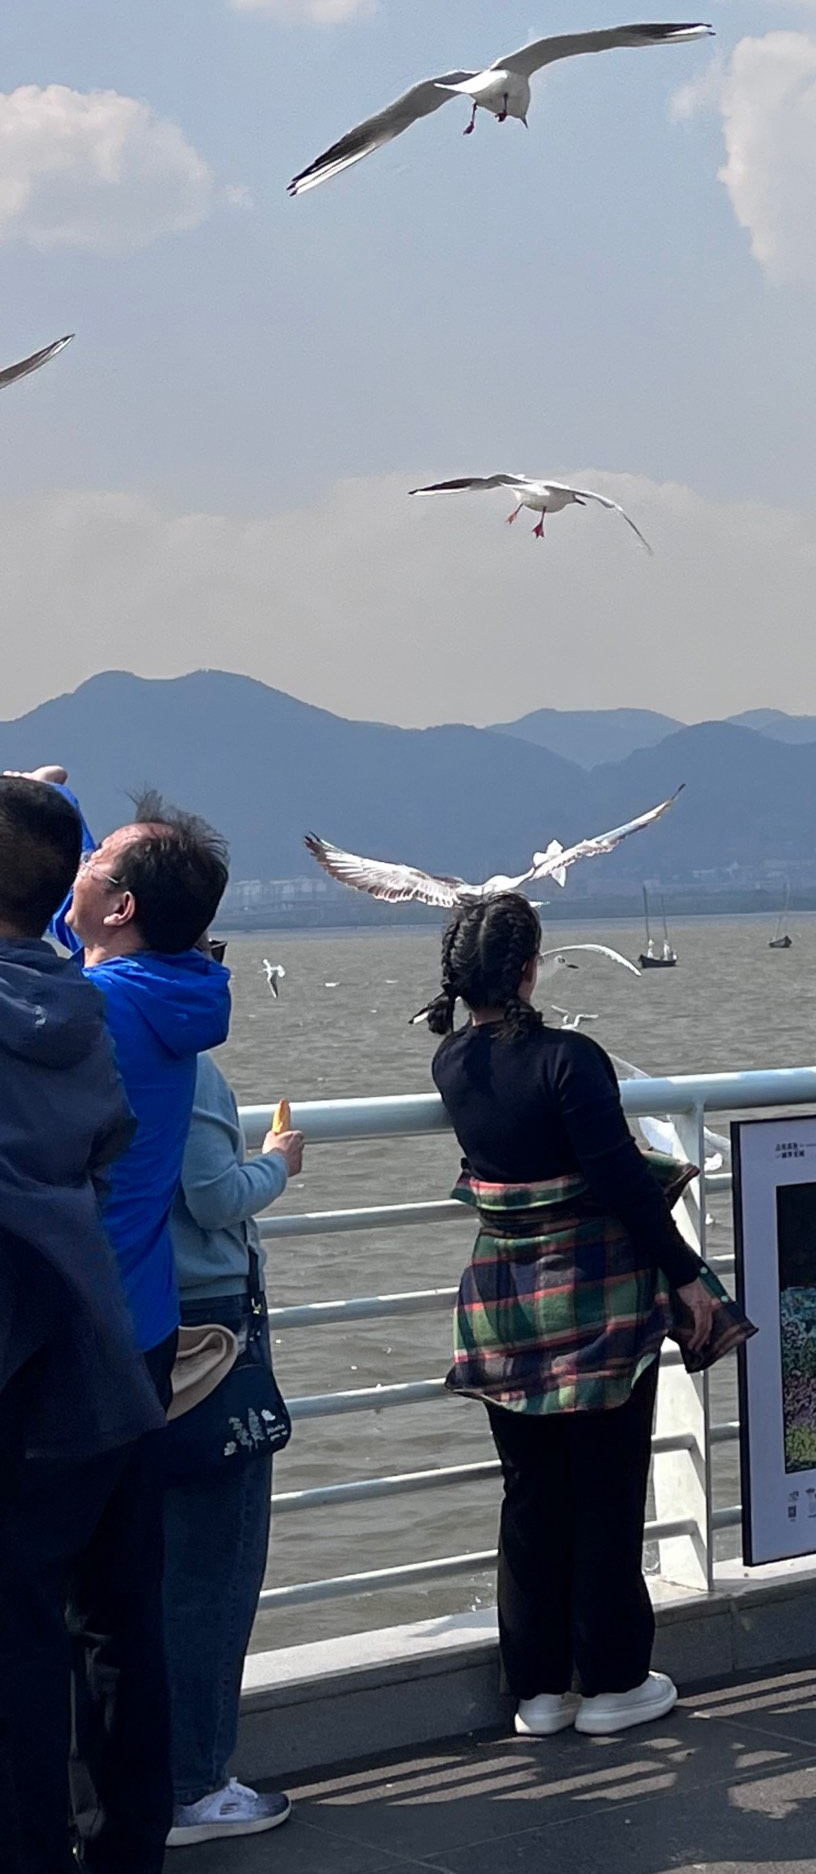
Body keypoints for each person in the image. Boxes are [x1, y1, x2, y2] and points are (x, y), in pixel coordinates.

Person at [429, 891, 719, 1739]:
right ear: (529, 967)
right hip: (594, 1305)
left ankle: (540, 1690)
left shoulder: (451, 1063)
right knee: (604, 1490)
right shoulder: (571, 1059)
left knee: (530, 1496)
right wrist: (689, 1276)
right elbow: (623, 1181)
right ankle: (616, 1680)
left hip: (501, 1306)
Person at [0, 774, 166, 1874]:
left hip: (19, 1375)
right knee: (105, 1623)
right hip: (95, 1358)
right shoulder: (80, 1008)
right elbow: (103, 1148)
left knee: (11, 1654)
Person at [73, 792, 236, 1866]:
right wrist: (63, 813)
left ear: (121, 906)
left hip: (62, 1340)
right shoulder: (166, 990)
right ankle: (131, 1836)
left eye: (97, 862)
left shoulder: (89, 1007)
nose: (76, 867)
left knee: (53, 1603)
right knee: (120, 1605)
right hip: (139, 1329)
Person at [162, 1053, 304, 1844]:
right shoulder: (181, 1058)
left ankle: (137, 1775)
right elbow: (213, 1196)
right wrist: (276, 1164)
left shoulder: (76, 1020)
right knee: (216, 1561)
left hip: (122, 1311)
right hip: (212, 1321)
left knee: (130, 1570)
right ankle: (198, 1783)